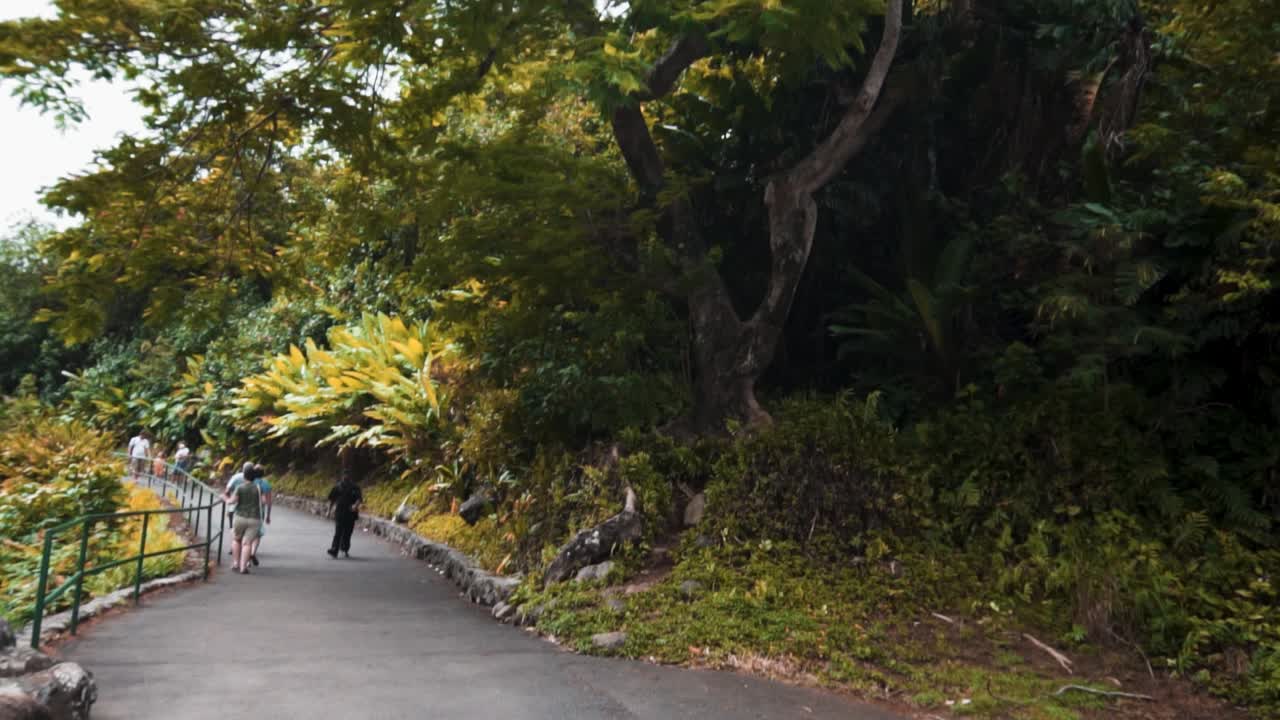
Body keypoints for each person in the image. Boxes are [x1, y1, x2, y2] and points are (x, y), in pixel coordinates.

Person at [226, 463, 272, 566]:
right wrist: (268, 515)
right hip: (257, 514)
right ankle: (250, 556)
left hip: (240, 515)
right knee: (253, 538)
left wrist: (226, 499)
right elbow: (267, 502)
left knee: (238, 538)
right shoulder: (263, 484)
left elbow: (232, 498)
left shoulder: (244, 484)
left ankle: (236, 562)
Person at [326, 472, 362, 558]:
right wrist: (329, 511)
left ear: (350, 476)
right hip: (340, 512)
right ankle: (334, 550)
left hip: (351, 513)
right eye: (344, 475)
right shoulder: (337, 486)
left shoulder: (355, 487)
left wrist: (355, 506)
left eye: (347, 475)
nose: (346, 477)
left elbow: (359, 499)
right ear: (342, 476)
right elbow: (332, 500)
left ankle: (344, 549)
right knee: (338, 532)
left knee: (347, 532)